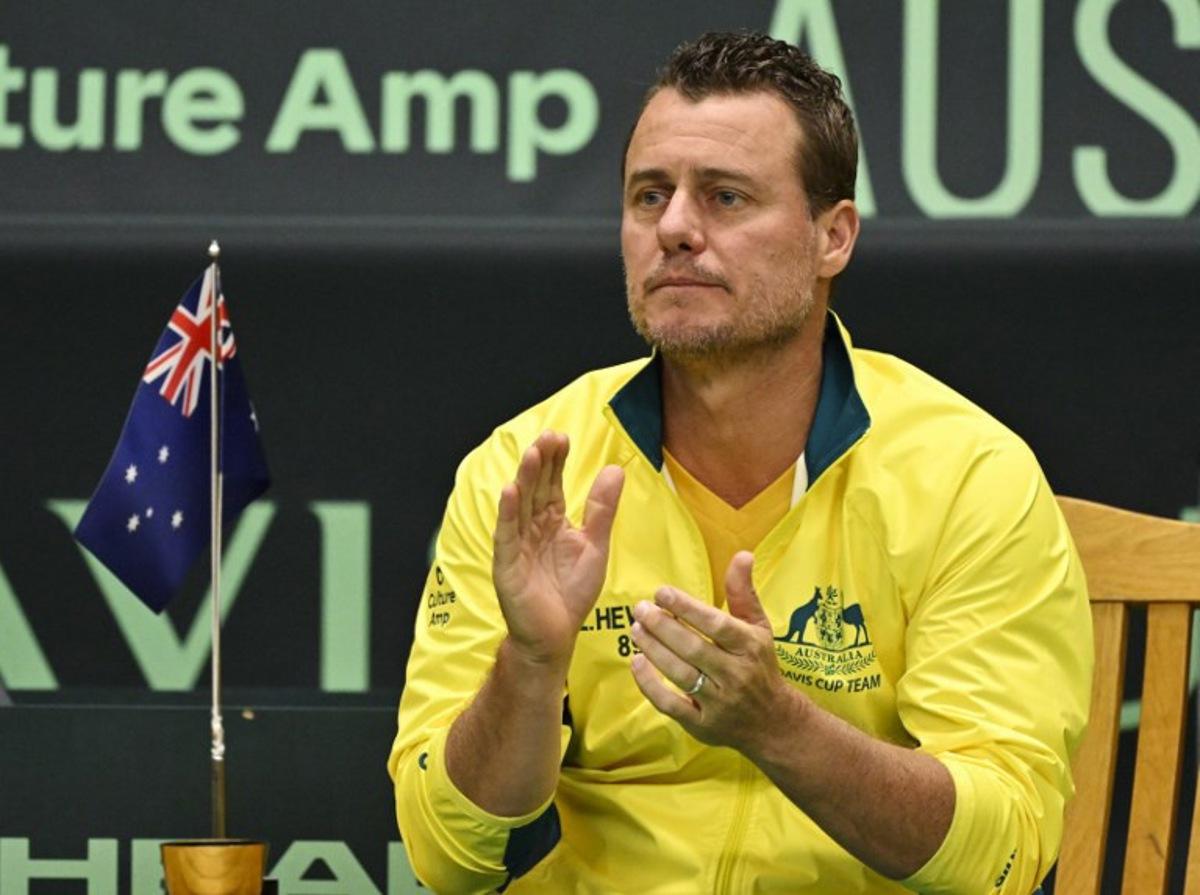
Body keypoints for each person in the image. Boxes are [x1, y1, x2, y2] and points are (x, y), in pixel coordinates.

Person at [388, 31, 1092, 895]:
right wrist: (530, 668)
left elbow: (1003, 855)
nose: (675, 229)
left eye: (725, 197)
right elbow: (446, 859)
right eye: (650, 196)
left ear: (833, 238)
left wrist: (780, 725)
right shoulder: (529, 471)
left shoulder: (968, 476)